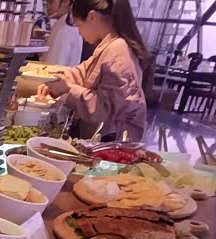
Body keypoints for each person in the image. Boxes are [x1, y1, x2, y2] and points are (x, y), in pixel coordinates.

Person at [37, 0, 148, 141]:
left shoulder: (118, 51)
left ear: (92, 17)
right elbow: (84, 72)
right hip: (102, 137)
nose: (79, 32)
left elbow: (104, 110)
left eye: (79, 25)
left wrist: (69, 88)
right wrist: (56, 81)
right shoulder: (110, 45)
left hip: (110, 141)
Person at [41, 0, 83, 67]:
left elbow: (57, 65)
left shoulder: (67, 29)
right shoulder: (62, 24)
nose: (47, 6)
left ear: (66, 2)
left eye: (51, 1)